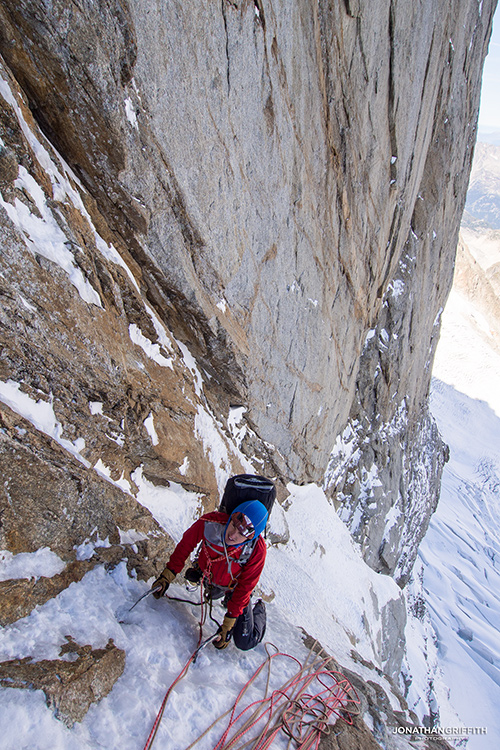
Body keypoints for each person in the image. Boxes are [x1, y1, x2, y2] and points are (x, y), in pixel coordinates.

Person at [152, 500, 268, 651]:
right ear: (231, 517)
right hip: (212, 578)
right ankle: (223, 595)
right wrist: (167, 576)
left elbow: (245, 586)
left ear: (251, 537)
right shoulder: (211, 522)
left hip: (234, 588)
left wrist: (228, 624)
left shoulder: (257, 550)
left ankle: (260, 609)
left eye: (242, 534)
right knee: (213, 594)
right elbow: (185, 546)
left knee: (245, 641)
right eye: (233, 525)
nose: (232, 535)